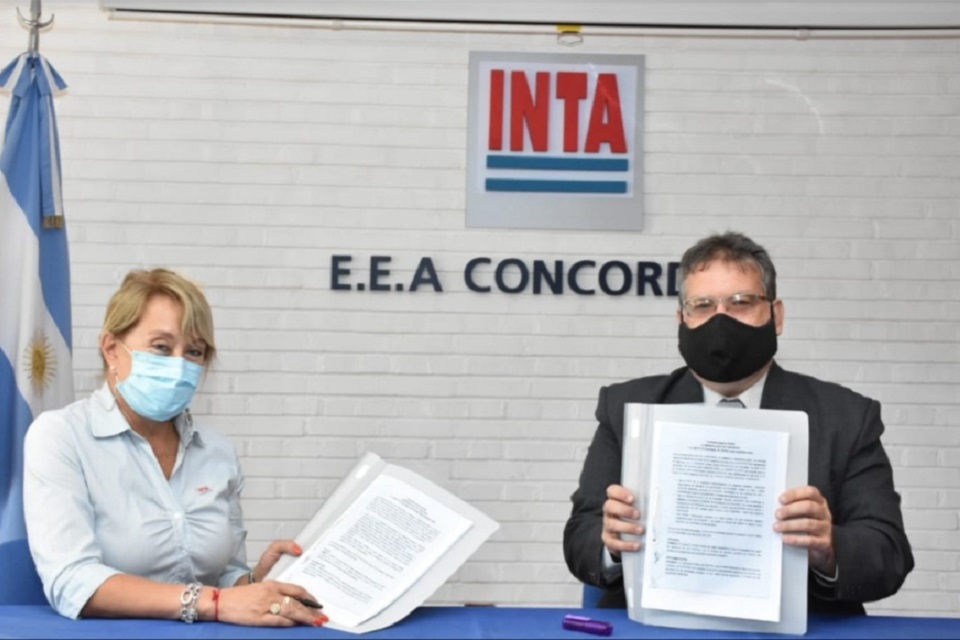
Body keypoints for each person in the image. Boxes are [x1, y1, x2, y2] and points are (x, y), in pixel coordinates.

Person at [563, 231, 913, 615]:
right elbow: (581, 537)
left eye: (741, 302)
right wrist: (612, 543)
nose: (721, 320)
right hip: (657, 626)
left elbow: (889, 553)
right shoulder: (627, 408)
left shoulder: (846, 416)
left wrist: (828, 547)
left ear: (776, 316)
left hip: (808, 627)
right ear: (681, 319)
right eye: (702, 305)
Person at [23, 268, 326, 627]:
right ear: (111, 349)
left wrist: (257, 581)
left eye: (194, 351)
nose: (179, 365)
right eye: (161, 347)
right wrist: (214, 602)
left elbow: (223, 579)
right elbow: (72, 581)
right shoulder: (61, 436)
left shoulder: (217, 452)